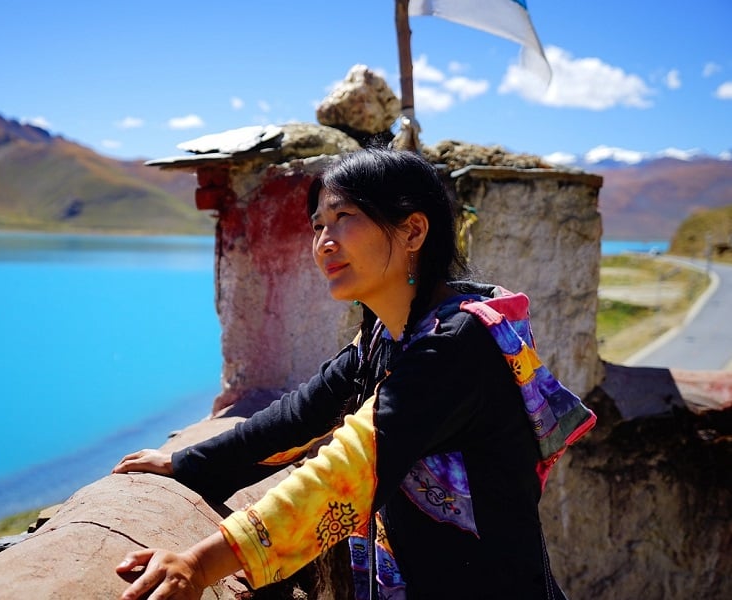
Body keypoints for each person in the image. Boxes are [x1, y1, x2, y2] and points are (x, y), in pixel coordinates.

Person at [112, 148, 577, 599]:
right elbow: (298, 417)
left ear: (413, 231)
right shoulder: (384, 337)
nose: (323, 243)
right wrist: (186, 463)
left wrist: (198, 566)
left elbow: (350, 469)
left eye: (344, 217)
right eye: (318, 226)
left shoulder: (456, 345)